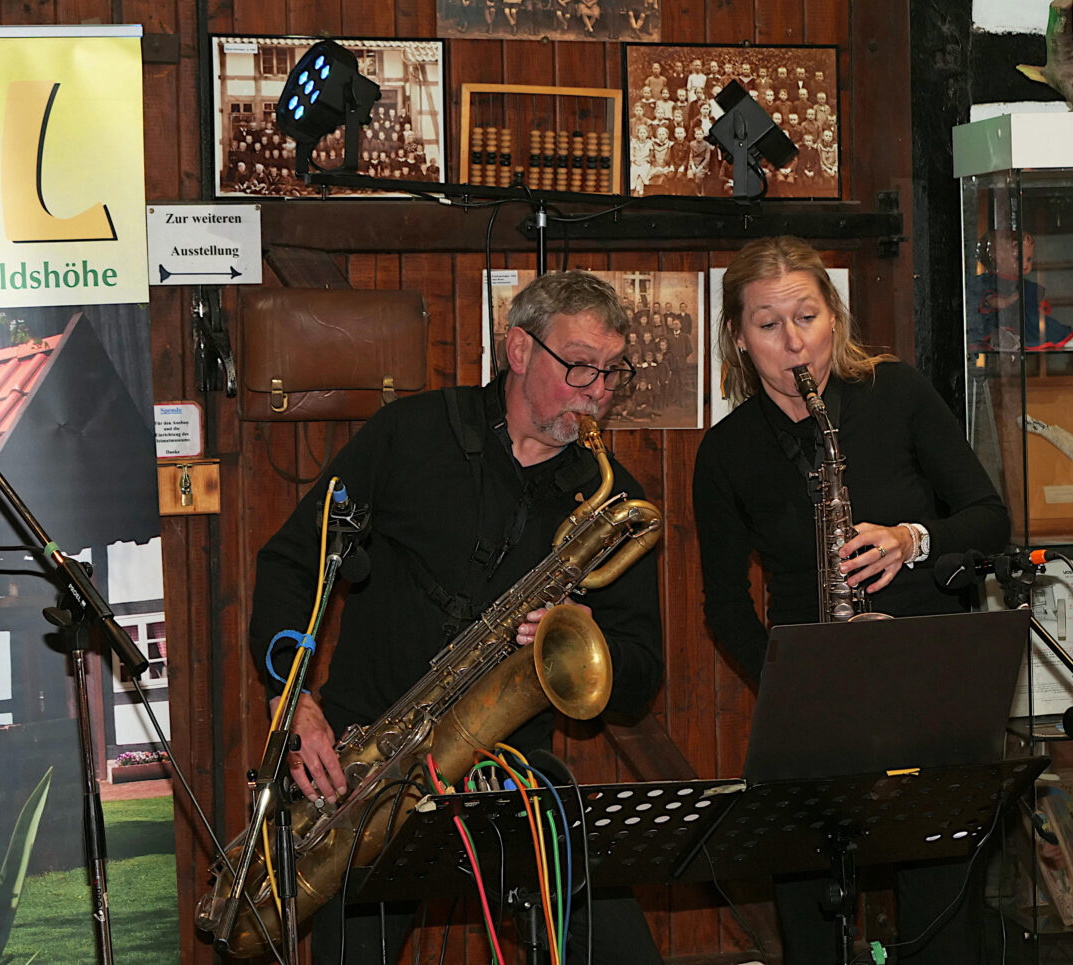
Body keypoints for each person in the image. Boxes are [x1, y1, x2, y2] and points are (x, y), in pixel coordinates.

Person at [251, 270, 665, 965]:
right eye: (580, 366)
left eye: (611, 372)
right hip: (367, 764)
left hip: (509, 772)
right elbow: (293, 560)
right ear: (519, 349)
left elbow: (641, 668)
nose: (597, 390)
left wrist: (585, 637)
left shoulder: (611, 499)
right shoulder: (409, 435)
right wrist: (291, 700)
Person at [692, 236, 1010, 964]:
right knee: (813, 922)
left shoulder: (894, 394)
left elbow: (989, 516)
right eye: (769, 324)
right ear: (739, 337)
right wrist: (790, 679)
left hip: (929, 686)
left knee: (942, 920)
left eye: (808, 315)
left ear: (835, 315)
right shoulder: (727, 451)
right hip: (815, 707)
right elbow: (724, 606)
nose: (794, 340)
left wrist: (910, 539)